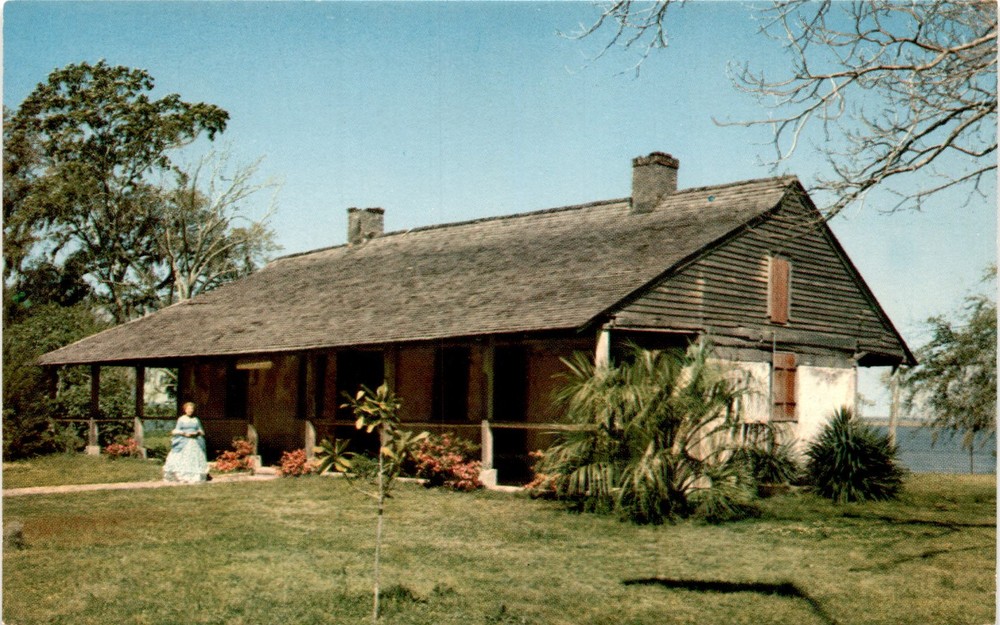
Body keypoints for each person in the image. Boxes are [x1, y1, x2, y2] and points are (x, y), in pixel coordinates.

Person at [163, 401, 208, 483]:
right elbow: (176, 430)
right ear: (185, 410)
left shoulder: (195, 420)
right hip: (183, 441)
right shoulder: (181, 419)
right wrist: (184, 433)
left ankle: (193, 476)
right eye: (189, 409)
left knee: (194, 458)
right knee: (181, 458)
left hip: (195, 440)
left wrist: (197, 433)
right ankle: (181, 476)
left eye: (192, 409)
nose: (190, 411)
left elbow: (201, 431)